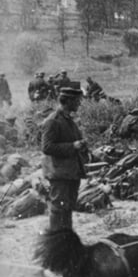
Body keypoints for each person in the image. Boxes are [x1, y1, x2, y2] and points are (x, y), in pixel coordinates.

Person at [40, 86, 87, 232]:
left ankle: (66, 240)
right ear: (68, 101)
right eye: (77, 101)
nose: (79, 104)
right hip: (59, 173)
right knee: (58, 209)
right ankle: (56, 242)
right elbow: (47, 147)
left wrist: (82, 145)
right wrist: (73, 146)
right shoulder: (53, 121)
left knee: (68, 208)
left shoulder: (68, 120)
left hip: (71, 172)